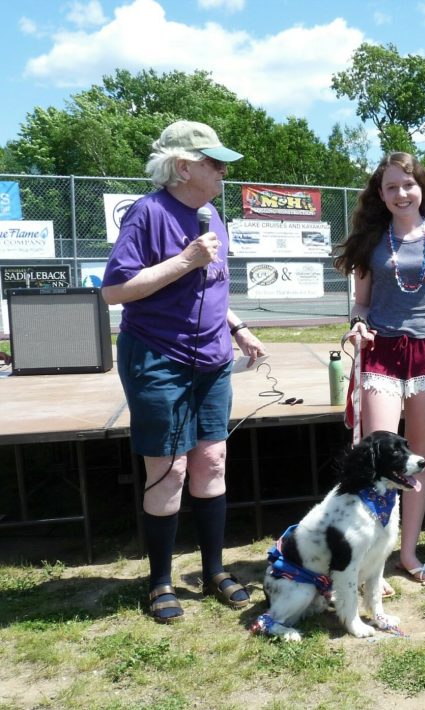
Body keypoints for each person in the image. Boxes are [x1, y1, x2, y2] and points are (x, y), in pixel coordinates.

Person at [102, 120, 267, 622]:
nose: (223, 171)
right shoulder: (147, 214)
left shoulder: (211, 214)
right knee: (168, 470)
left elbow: (215, 287)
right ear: (183, 166)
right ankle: (159, 581)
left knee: (211, 462)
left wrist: (238, 327)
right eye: (214, 162)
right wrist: (185, 260)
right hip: (157, 357)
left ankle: (214, 569)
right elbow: (114, 291)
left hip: (212, 360)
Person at [333, 151, 425, 586]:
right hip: (383, 353)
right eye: (391, 187)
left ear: (422, 188)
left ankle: (407, 554)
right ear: (381, 194)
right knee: (379, 461)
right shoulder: (371, 240)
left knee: (415, 462)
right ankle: (371, 562)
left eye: (407, 184)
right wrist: (357, 325)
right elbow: (361, 304)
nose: (401, 193)